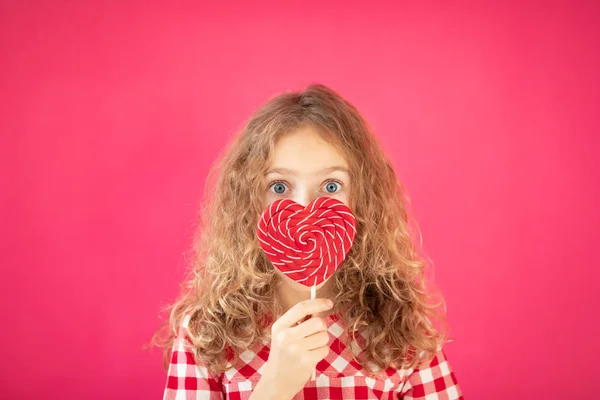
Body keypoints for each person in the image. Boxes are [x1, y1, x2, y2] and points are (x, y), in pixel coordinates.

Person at [153, 84, 464, 399]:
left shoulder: (401, 330)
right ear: (249, 201)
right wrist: (276, 386)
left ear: (362, 200)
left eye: (331, 186)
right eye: (279, 187)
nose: (305, 211)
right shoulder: (206, 333)